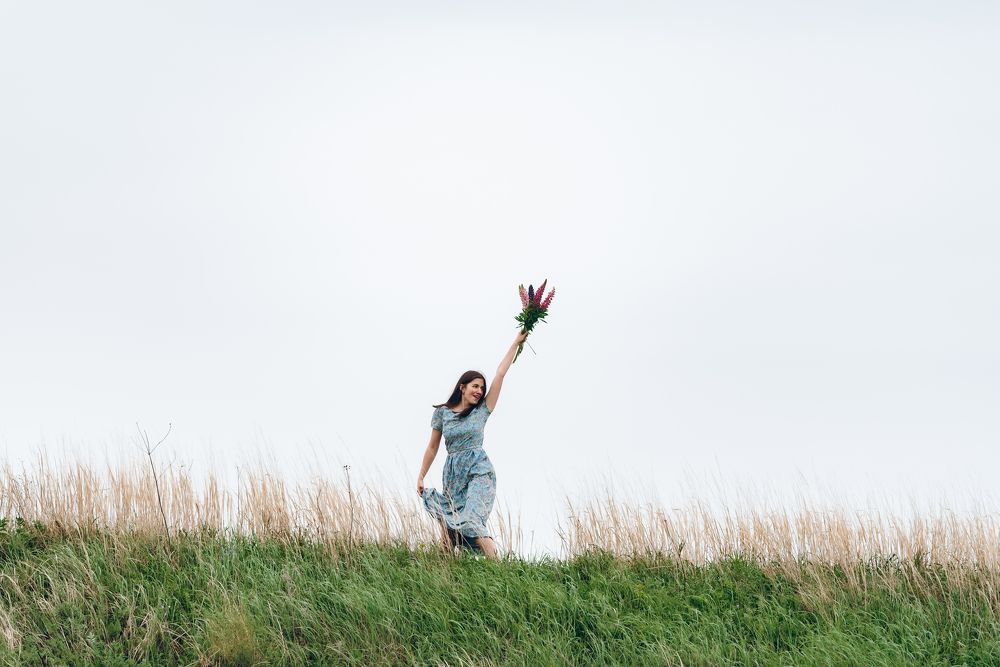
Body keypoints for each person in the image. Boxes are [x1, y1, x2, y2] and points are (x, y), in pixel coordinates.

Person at [417, 329, 529, 559]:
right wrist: (421, 476)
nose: (479, 391)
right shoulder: (443, 413)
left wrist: (516, 343)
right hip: (453, 475)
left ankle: (499, 570)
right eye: (475, 386)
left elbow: (500, 373)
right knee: (450, 528)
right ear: (462, 387)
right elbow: (432, 447)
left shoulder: (482, 411)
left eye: (482, 388)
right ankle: (443, 571)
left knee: (472, 522)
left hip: (479, 471)